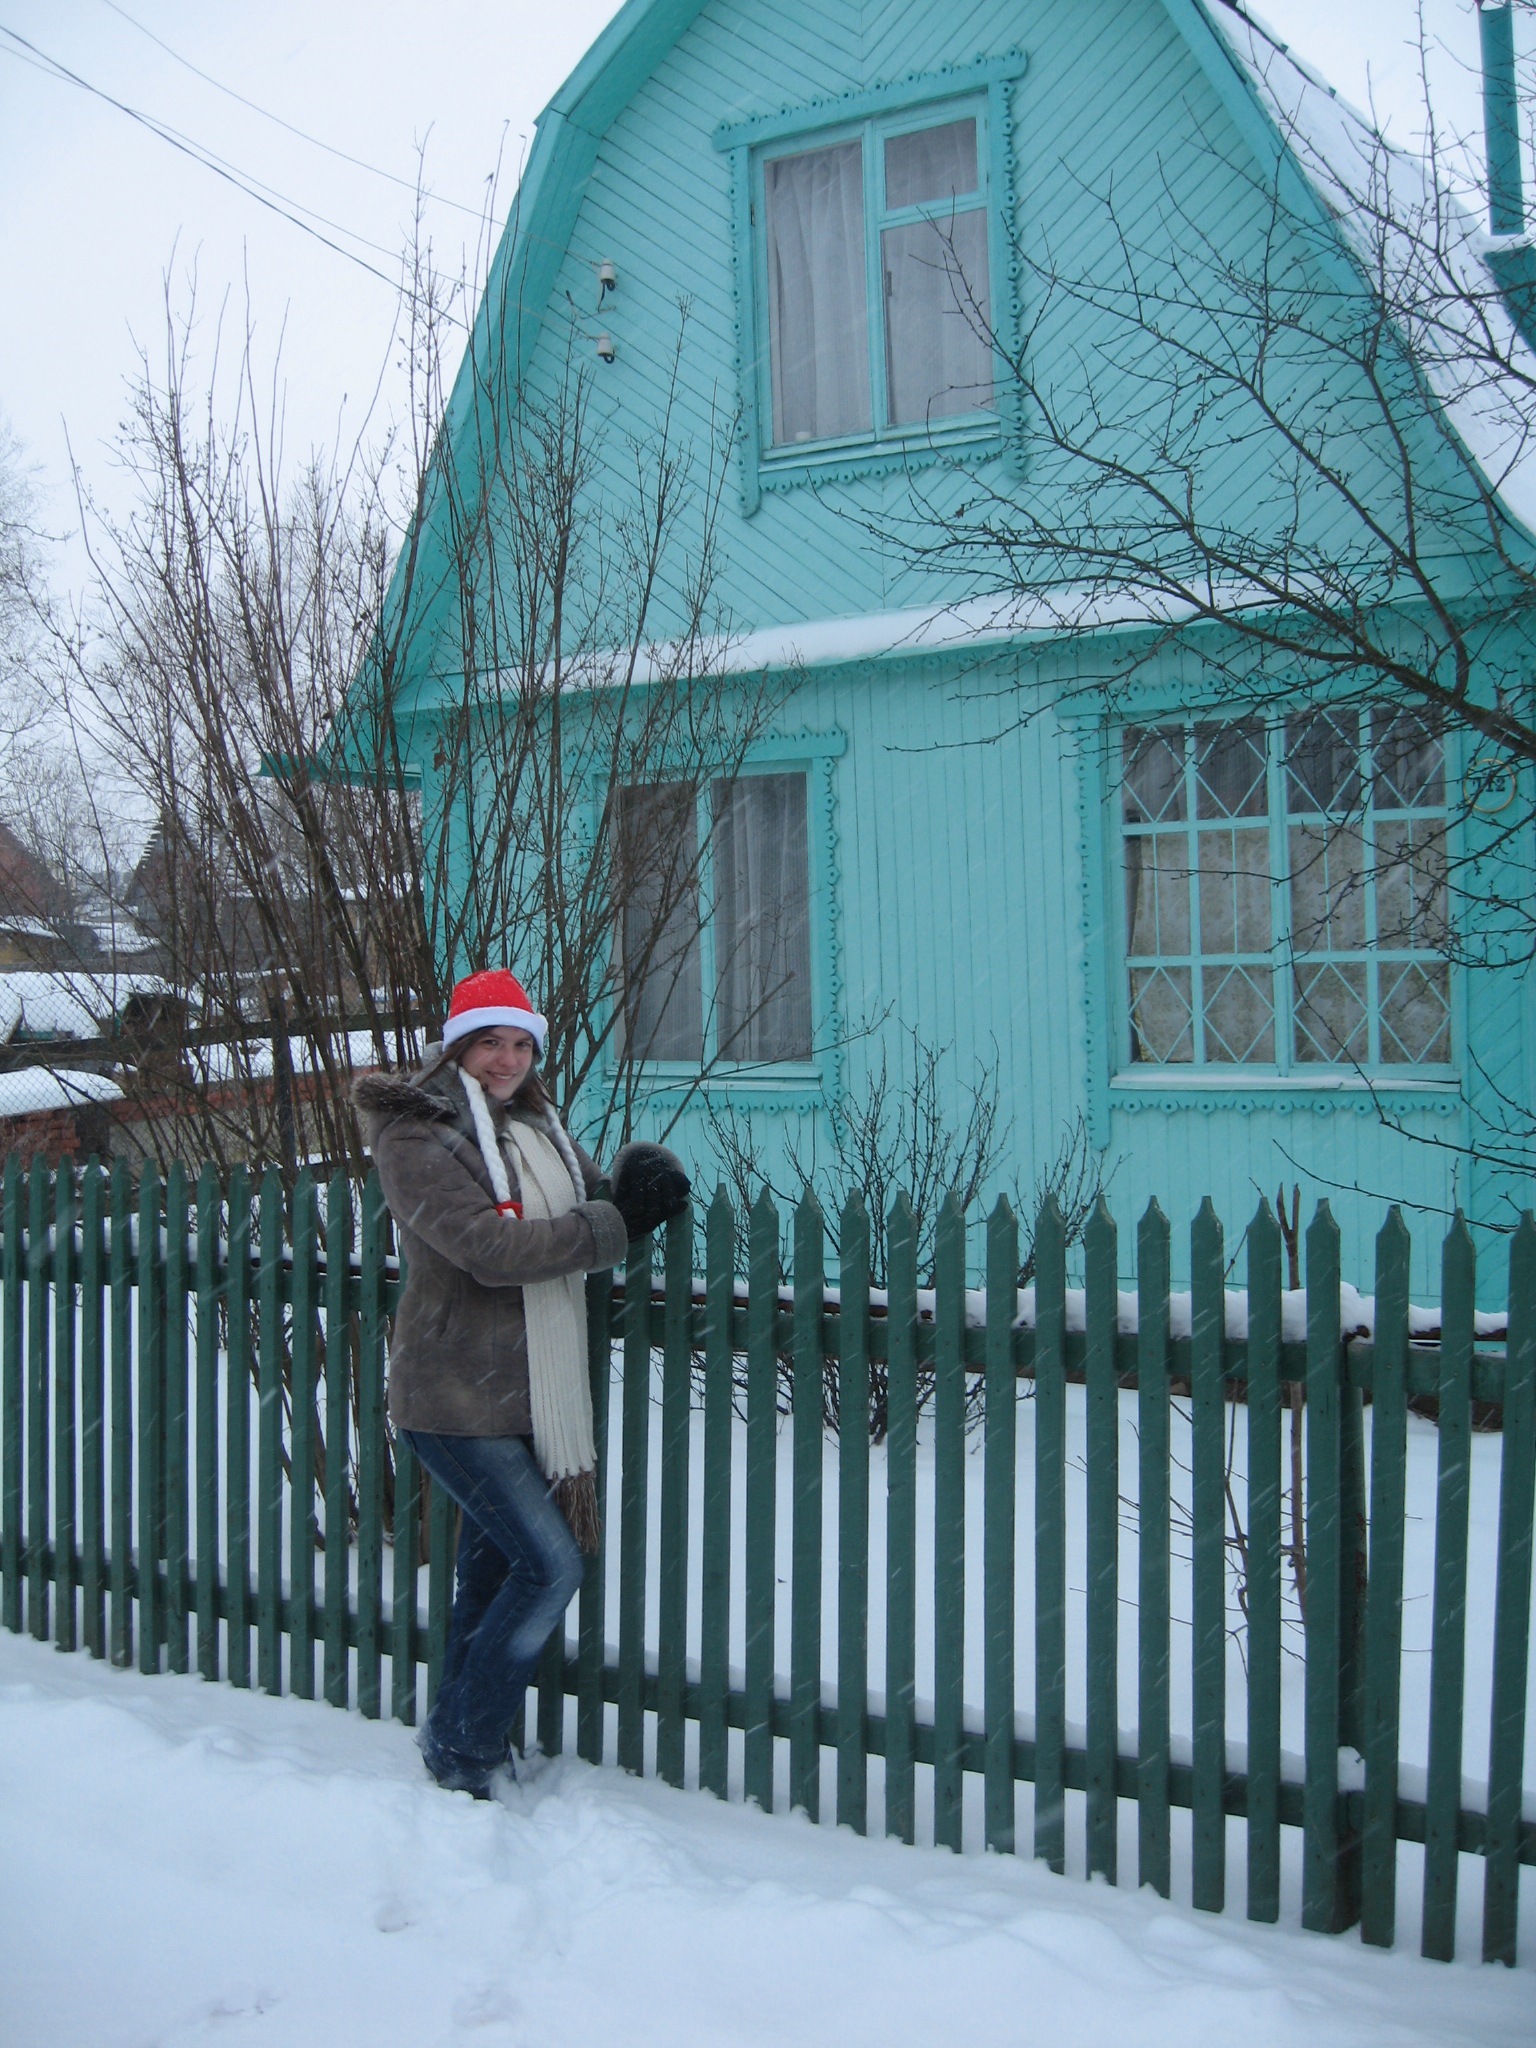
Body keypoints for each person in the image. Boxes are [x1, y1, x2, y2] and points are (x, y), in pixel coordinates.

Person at [353, 968, 689, 1796]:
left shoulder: (535, 1122)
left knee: (493, 1573)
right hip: (451, 1397)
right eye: (489, 1042)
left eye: (520, 1044)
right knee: (550, 1566)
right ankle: (463, 1743)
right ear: (456, 1047)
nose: (506, 1060)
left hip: (526, 1394)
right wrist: (615, 1223)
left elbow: (583, 1202)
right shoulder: (416, 1136)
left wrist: (631, 1187)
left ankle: (459, 1737)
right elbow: (490, 1251)